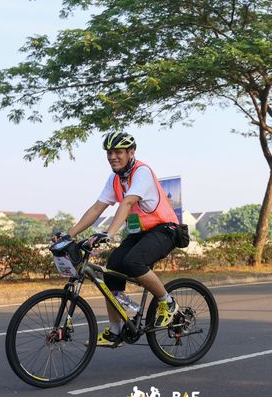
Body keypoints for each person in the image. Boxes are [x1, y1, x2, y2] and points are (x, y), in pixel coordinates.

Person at [53, 132, 179, 347]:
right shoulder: (114, 179)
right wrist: (69, 235)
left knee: (133, 262)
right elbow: (96, 208)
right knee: (111, 272)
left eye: (118, 152)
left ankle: (167, 303)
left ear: (131, 152)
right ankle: (115, 331)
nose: (112, 157)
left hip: (165, 229)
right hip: (140, 233)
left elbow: (127, 203)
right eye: (109, 153)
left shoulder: (142, 172)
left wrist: (108, 234)